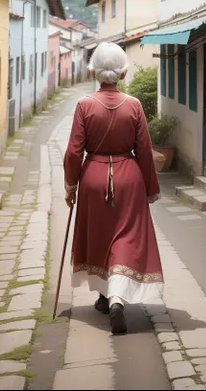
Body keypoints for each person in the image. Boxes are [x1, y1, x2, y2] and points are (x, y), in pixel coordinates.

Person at [63, 42, 163, 335]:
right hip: (128, 177)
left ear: (93, 72)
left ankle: (106, 297)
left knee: (102, 237)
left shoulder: (84, 105)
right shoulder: (133, 105)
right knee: (125, 238)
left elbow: (73, 152)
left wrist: (71, 186)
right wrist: (151, 188)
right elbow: (145, 151)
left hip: (93, 177)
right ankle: (117, 298)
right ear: (123, 72)